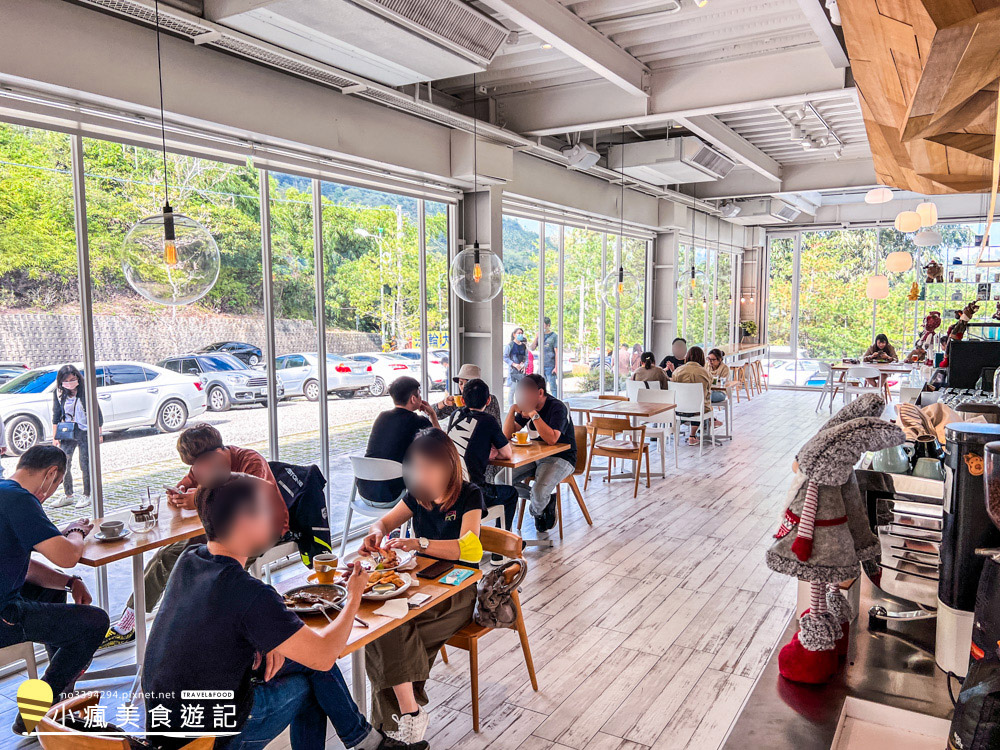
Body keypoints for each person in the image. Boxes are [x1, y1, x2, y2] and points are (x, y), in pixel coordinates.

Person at [142, 474, 428, 750]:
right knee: (312, 682)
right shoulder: (248, 592)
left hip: (164, 725)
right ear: (244, 521)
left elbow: (216, 623)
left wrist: (265, 641)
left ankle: (367, 742)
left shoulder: (191, 558)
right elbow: (325, 653)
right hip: (207, 739)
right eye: (267, 511)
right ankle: (366, 742)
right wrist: (354, 596)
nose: (278, 521)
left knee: (305, 664)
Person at [103, 423, 287, 648]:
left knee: (214, 570)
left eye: (202, 464)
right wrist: (178, 495)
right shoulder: (201, 466)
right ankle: (131, 617)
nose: (198, 470)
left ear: (220, 452)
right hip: (218, 529)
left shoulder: (250, 461)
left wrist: (198, 498)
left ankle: (223, 635)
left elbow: (250, 507)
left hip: (261, 528)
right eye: (194, 466)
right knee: (167, 555)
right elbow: (185, 485)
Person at [360, 429, 484, 741]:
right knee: (387, 626)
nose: (422, 474)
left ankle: (389, 730)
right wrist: (376, 532)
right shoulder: (417, 496)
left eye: (429, 467)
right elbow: (385, 522)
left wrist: (420, 542)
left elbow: (471, 548)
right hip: (421, 586)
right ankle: (408, 717)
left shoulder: (470, 495)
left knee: (387, 634)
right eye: (417, 466)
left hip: (458, 592)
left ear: (448, 465)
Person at [1, 446, 107, 735]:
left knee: (48, 592)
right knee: (95, 622)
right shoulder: (19, 500)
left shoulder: (3, 491)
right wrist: (77, 531)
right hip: (3, 617)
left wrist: (70, 582)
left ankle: (61, 699)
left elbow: (26, 565)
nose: (50, 492)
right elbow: (68, 556)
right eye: (57, 484)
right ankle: (38, 708)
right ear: (50, 474)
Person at [502, 374, 576, 533]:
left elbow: (552, 440)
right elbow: (506, 435)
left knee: (539, 492)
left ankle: (538, 509)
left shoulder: (557, 408)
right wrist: (512, 410)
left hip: (562, 458)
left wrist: (533, 414)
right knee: (501, 480)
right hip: (535, 456)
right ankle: (544, 501)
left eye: (526, 394)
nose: (523, 398)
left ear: (540, 393)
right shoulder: (527, 406)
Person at [446, 378, 518, 532]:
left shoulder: (455, 415)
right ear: (489, 400)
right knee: (511, 494)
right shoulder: (488, 420)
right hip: (472, 494)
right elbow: (507, 453)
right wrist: (490, 453)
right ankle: (501, 546)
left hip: (447, 490)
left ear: (463, 400)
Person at [358, 377, 439, 506]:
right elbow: (441, 443)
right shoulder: (418, 421)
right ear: (413, 399)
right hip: (393, 495)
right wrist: (432, 415)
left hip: (364, 492)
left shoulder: (382, 417)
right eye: (419, 395)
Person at [49, 365, 103, 509]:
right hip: (67, 431)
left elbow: (97, 412)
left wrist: (99, 432)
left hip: (84, 430)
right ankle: (68, 495)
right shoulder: (59, 393)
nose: (70, 383)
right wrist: (55, 436)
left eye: (73, 379)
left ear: (78, 378)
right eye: (66, 380)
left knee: (85, 463)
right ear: (61, 382)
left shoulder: (85, 391)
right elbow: (56, 414)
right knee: (64, 462)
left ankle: (87, 494)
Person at [671, 346, 714, 445]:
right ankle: (693, 435)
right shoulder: (705, 372)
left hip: (679, 408)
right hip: (698, 409)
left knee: (693, 402)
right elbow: (708, 390)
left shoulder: (677, 371)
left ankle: (679, 433)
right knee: (699, 402)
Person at [530, 317, 559, 398]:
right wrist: (536, 337)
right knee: (540, 386)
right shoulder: (540, 336)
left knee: (553, 386)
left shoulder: (554, 336)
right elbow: (532, 348)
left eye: (543, 325)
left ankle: (555, 403)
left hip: (550, 365)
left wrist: (556, 367)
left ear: (548, 325)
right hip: (541, 365)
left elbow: (557, 352)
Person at [502, 328, 528, 403]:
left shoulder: (523, 346)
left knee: (521, 391)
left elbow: (526, 357)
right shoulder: (510, 345)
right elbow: (505, 357)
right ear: (514, 334)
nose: (520, 335)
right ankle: (511, 407)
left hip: (521, 371)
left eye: (521, 333)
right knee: (512, 390)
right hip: (513, 371)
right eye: (518, 333)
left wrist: (524, 365)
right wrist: (514, 364)